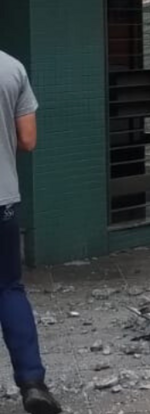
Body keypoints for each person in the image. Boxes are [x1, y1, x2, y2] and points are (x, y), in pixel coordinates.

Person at [0, 51, 61, 414]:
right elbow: (27, 139)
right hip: (2, 200)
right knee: (8, 288)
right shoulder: (11, 68)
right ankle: (32, 384)